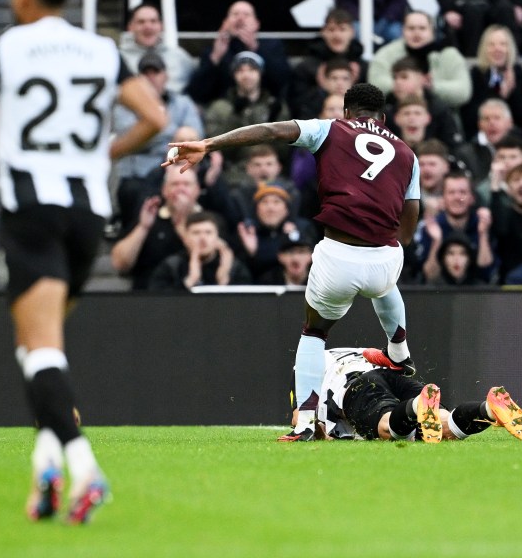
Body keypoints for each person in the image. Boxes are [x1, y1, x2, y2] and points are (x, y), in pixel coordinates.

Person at [0, 0, 167, 524]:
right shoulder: (100, 49)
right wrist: (102, 153)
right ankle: (45, 467)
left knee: (39, 347)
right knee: (38, 346)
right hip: (87, 213)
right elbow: (155, 118)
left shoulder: (4, 46)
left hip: (32, 210)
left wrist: (0, 113)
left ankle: (82, 466)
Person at [165, 83, 420, 442]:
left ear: (346, 112)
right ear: (384, 117)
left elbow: (269, 131)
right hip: (385, 260)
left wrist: (208, 144)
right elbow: (408, 228)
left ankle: (303, 424)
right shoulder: (408, 153)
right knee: (386, 276)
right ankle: (399, 351)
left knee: (315, 332)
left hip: (339, 257)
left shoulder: (330, 128)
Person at [316, 347, 522, 442]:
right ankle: (489, 409)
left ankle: (417, 404)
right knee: (444, 427)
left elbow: (301, 419)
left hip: (354, 385)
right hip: (389, 375)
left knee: (386, 428)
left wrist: (319, 433)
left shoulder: (309, 364)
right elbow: (394, 360)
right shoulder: (352, 352)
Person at [112, 52, 204, 231]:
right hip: (138, 172)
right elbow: (130, 135)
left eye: (156, 72)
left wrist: (150, 128)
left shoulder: (182, 102)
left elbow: (195, 136)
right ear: (138, 79)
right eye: (146, 73)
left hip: (177, 167)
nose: (151, 77)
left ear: (165, 76)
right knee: (132, 191)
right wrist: (172, 131)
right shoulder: (125, 102)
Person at [111, 167, 207, 290]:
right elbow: (119, 264)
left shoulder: (209, 219)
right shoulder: (148, 216)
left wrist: (180, 224)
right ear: (164, 190)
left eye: (186, 184)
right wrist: (143, 227)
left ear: (197, 190)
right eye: (175, 184)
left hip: (195, 295)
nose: (180, 189)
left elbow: (207, 259)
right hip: (149, 295)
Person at [186, 0, 292, 105]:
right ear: (225, 23)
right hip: (225, 111)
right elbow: (197, 93)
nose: (240, 19)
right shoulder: (213, 50)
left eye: (246, 15)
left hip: (266, 107)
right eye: (235, 14)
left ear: (256, 24)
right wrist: (215, 58)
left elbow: (283, 83)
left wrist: (255, 49)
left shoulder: (272, 46)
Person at [205, 51, 290, 179]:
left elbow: (285, 152)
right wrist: (235, 117)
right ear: (234, 75)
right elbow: (216, 149)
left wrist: (274, 121)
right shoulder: (219, 108)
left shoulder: (275, 107)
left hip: (270, 170)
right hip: (233, 172)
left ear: (260, 73)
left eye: (251, 70)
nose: (246, 75)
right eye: (240, 70)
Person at [368, 11, 472, 109]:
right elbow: (376, 83)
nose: (416, 33)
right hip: (394, 114)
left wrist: (432, 87)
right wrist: (411, 85)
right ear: (402, 31)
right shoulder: (387, 53)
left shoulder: (448, 54)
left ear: (432, 31)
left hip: (441, 116)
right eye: (411, 28)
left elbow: (463, 91)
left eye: (422, 28)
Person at [415, 170, 496, 283]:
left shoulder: (481, 223)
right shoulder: (431, 226)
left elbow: (486, 273)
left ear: (472, 198)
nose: (457, 197)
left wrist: (483, 234)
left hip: (477, 294)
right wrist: (437, 241)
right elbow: (430, 277)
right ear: (443, 198)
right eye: (451, 192)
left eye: (462, 192)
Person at [461, 25, 522, 140]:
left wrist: (511, 93)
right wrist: (499, 96)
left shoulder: (521, 76)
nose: (497, 49)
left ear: (510, 48)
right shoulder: (475, 76)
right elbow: (469, 117)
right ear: (484, 49)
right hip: (479, 139)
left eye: (503, 44)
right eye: (491, 44)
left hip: (516, 139)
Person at [288, 8, 367, 119]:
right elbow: (297, 106)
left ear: (352, 32)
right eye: (331, 30)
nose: (337, 35)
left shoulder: (364, 67)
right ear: (323, 32)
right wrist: (321, 89)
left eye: (342, 29)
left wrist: (354, 86)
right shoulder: (305, 68)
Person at [147, 211, 251, 291]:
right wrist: (190, 281)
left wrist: (224, 280)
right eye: (196, 233)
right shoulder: (172, 266)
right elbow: (158, 304)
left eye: (208, 232)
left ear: (217, 237)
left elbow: (246, 306)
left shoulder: (234, 267)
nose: (203, 238)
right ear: (185, 239)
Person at [236, 182, 317, 282]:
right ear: (256, 209)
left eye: (276, 202)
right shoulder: (247, 232)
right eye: (264, 202)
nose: (270, 208)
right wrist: (250, 254)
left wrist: (291, 239)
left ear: (287, 209)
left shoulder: (302, 228)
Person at [384, 57, 463, 150]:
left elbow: (453, 147)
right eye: (394, 78)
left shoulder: (440, 110)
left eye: (404, 77)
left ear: (422, 79)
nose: (397, 82)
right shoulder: (385, 110)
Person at [119, 2, 196, 94]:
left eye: (153, 21)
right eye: (141, 22)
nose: (148, 26)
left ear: (161, 26)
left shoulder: (180, 57)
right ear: (130, 27)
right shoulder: (118, 58)